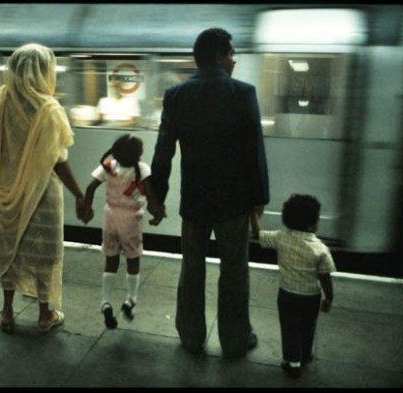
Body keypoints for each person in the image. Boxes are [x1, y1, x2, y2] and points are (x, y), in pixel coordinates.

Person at [150, 27, 270, 358]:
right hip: (234, 202)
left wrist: (156, 198)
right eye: (232, 54)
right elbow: (254, 152)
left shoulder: (176, 95)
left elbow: (163, 154)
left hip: (195, 200)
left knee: (192, 269)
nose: (234, 60)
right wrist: (259, 199)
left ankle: (191, 337)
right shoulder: (243, 93)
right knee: (234, 271)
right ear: (219, 56)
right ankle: (234, 341)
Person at [0, 43, 87, 334]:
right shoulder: (48, 109)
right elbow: (57, 161)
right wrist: (80, 195)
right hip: (42, 196)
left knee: (8, 250)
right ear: (43, 72)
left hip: (4, 193)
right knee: (45, 253)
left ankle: (7, 312)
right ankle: (45, 314)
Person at [83, 134, 164, 329]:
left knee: (111, 259)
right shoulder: (142, 169)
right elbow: (150, 194)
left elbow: (90, 187)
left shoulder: (109, 166)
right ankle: (131, 300)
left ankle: (105, 301)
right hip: (131, 220)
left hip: (110, 218)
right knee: (132, 259)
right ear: (138, 155)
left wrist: (87, 208)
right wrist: (157, 212)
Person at [250, 194, 335, 379]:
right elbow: (325, 277)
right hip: (311, 296)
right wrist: (329, 298)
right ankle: (304, 356)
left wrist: (254, 214)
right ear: (313, 224)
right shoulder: (320, 249)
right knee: (308, 326)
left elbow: (258, 234)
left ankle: (292, 362)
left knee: (290, 328)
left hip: (287, 294)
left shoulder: (281, 237)